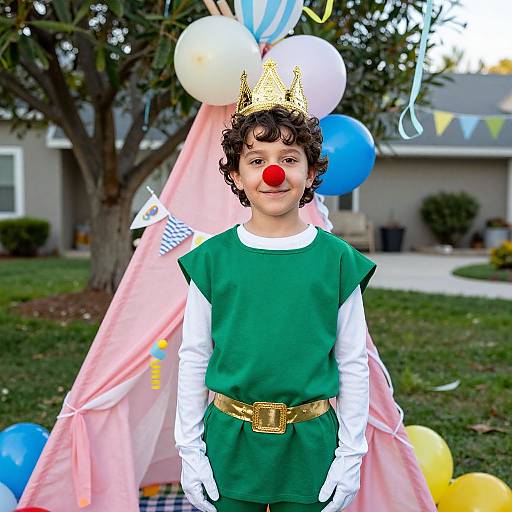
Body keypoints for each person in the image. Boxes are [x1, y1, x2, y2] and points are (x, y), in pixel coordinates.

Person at [174, 58, 377, 512]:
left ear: (310, 172)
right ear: (236, 176)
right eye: (257, 160)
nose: (273, 173)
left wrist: (351, 454)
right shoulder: (211, 261)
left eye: (289, 159)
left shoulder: (338, 261)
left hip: (311, 446)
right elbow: (193, 358)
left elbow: (352, 362)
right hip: (230, 442)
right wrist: (190, 450)